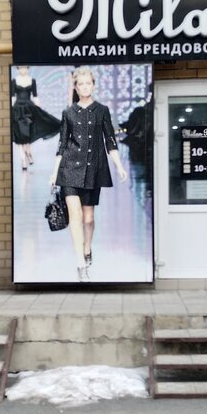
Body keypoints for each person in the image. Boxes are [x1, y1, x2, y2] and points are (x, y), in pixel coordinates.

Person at [49, 66, 128, 282]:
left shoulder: (102, 110)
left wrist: (119, 166)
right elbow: (62, 144)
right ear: (76, 87)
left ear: (93, 86)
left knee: (88, 218)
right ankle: (80, 263)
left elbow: (110, 140)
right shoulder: (68, 113)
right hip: (69, 170)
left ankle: (87, 247)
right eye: (81, 84)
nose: (84, 87)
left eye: (88, 83)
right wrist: (54, 173)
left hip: (93, 169)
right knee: (75, 215)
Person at [10, 66, 60, 170]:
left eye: (25, 67)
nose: (23, 69)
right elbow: (13, 96)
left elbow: (35, 96)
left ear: (27, 68)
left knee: (27, 133)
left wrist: (40, 111)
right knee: (19, 135)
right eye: (21, 68)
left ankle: (28, 152)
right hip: (18, 109)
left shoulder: (32, 80)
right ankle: (23, 161)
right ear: (18, 69)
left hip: (29, 109)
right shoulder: (14, 81)